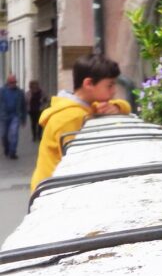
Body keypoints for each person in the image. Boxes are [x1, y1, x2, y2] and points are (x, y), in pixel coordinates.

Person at [30, 54, 132, 192]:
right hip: (52, 192)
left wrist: (117, 107)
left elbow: (125, 106)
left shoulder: (84, 107)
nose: (114, 91)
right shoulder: (71, 117)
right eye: (110, 85)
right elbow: (75, 163)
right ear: (88, 84)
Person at [1, 75, 27, 159]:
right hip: (3, 116)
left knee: (14, 133)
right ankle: (7, 148)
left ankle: (12, 152)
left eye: (15, 82)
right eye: (11, 82)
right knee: (3, 135)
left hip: (15, 116)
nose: (13, 84)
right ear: (8, 83)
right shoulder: (2, 91)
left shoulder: (19, 92)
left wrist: (24, 119)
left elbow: (24, 106)